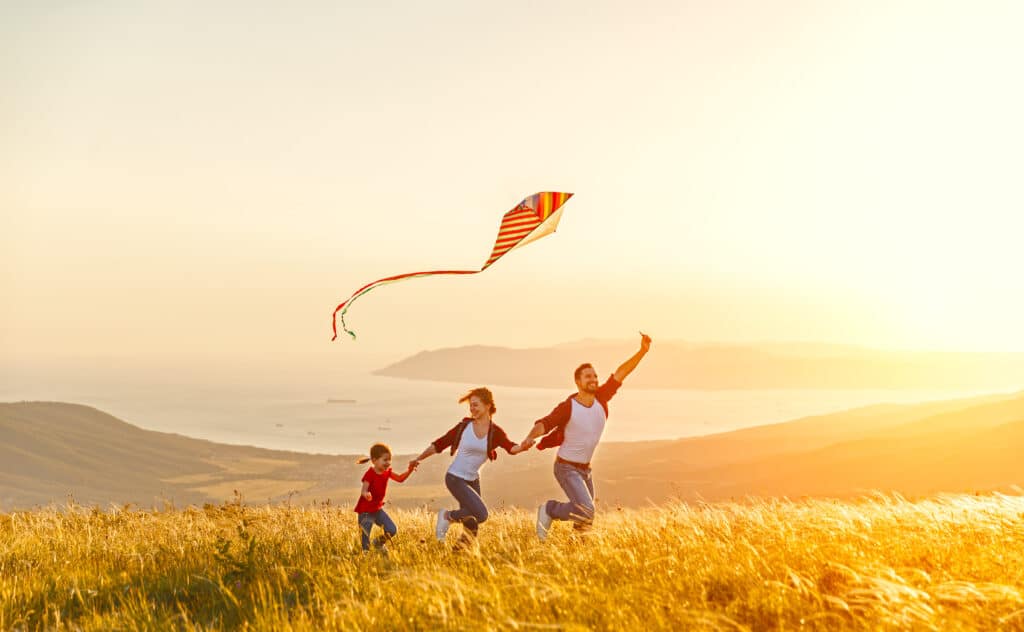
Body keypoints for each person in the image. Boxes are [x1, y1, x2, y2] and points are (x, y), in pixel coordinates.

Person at [518, 332, 652, 540]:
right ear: (578, 382)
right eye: (588, 376)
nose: (594, 379)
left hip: (585, 470)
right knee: (587, 510)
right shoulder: (568, 407)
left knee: (586, 520)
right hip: (566, 467)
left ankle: (576, 552)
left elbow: (622, 372)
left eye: (595, 376)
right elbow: (545, 423)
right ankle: (550, 509)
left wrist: (642, 351)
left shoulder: (602, 397)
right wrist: (530, 437)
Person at [409, 387, 528, 545]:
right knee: (482, 514)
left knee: (472, 523)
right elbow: (440, 444)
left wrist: (523, 446)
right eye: (471, 405)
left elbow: (510, 447)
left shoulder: (495, 432)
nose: (472, 409)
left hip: (473, 480)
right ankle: (447, 516)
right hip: (455, 478)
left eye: (476, 405)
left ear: (487, 406)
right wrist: (419, 458)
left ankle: (459, 553)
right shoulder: (463, 427)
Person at [354, 443, 416, 552]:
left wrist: (410, 470)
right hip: (365, 511)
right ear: (374, 461)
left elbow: (400, 479)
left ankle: (378, 543)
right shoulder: (370, 473)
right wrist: (367, 494)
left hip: (377, 510)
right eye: (385, 460)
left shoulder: (387, 472)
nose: (388, 463)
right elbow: (364, 490)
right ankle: (366, 559)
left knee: (392, 530)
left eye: (389, 460)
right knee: (365, 539)